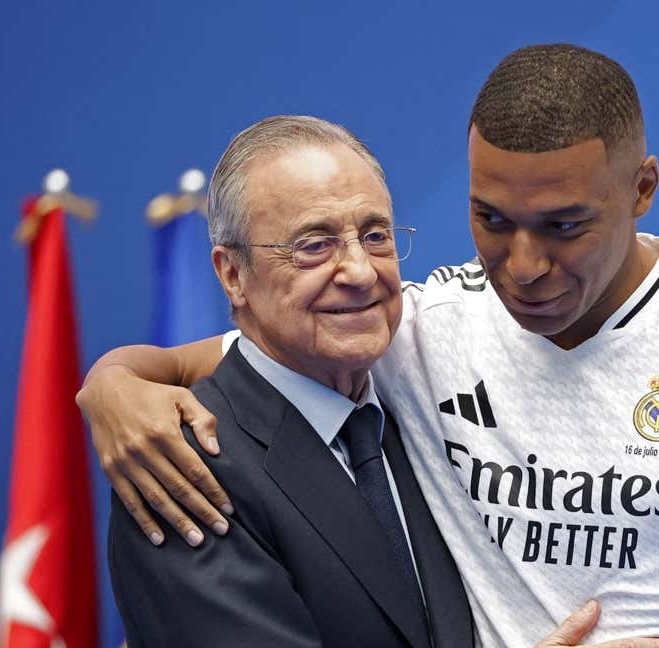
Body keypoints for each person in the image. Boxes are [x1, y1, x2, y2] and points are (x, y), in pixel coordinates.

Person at [82, 45, 659, 646]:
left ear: (642, 190)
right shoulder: (420, 324)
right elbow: (245, 356)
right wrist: (115, 380)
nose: (523, 269)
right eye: (491, 221)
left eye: (563, 227)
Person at [106, 117, 476, 647]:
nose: (361, 272)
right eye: (314, 245)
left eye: (375, 236)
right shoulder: (186, 467)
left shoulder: (425, 408)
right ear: (233, 275)